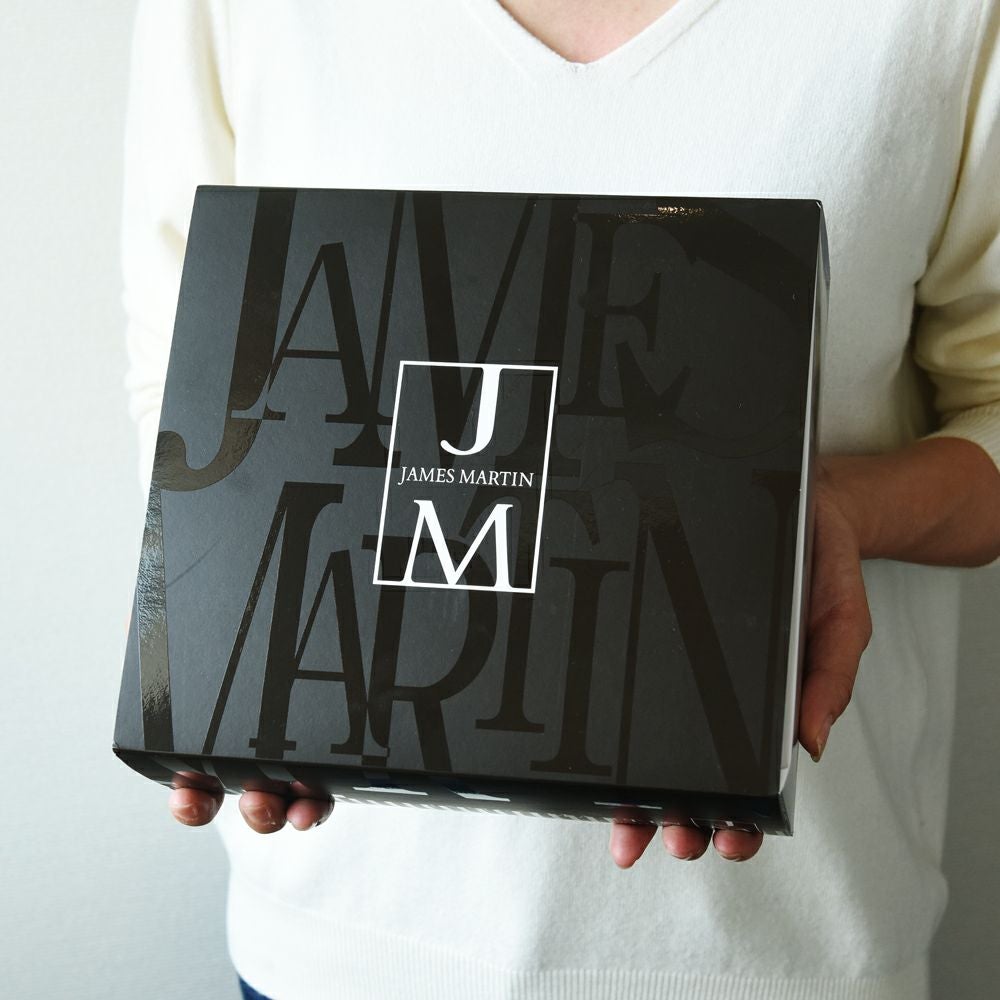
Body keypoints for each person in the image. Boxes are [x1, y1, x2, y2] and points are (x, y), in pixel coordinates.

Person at [121, 1, 1000, 997]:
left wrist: (838, 511)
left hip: (776, 953)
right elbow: (188, 383)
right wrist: (220, 665)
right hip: (346, 939)